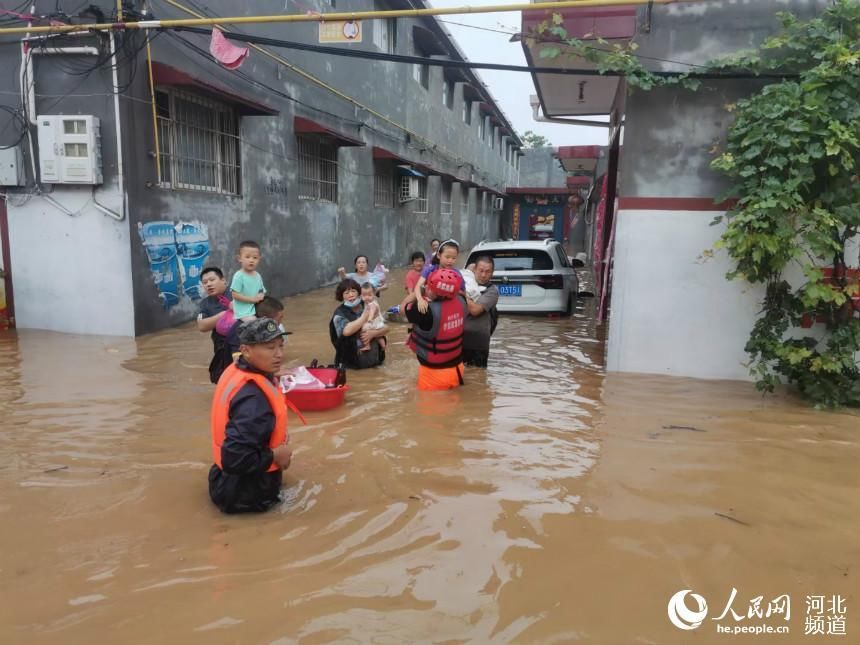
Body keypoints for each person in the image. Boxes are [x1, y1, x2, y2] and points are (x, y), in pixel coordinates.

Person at [209, 318, 293, 514]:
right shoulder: (254, 399)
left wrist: (270, 376)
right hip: (248, 496)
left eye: (281, 346)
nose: (279, 354)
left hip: (223, 482)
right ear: (246, 350)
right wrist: (275, 455)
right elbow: (234, 458)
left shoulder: (235, 370)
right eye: (270, 347)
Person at [405, 268, 467, 390]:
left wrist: (419, 291)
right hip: (457, 369)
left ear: (434, 292)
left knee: (429, 408)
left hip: (433, 376)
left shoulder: (425, 311)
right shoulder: (462, 301)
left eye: (429, 285)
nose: (427, 286)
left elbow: (403, 308)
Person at [329, 278, 388, 369]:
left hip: (376, 361)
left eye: (353, 291)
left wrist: (373, 333)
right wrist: (365, 316)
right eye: (346, 293)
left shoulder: (368, 303)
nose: (351, 295)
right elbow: (346, 331)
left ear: (359, 292)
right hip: (351, 365)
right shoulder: (339, 314)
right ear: (341, 296)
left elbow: (386, 328)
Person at [197, 267, 233, 384]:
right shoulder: (205, 304)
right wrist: (222, 315)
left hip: (241, 343)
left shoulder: (235, 294)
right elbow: (202, 326)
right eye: (205, 282)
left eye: (212, 280)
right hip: (221, 347)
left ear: (224, 281)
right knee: (221, 379)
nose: (209, 284)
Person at [411, 239, 466, 314]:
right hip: (430, 302)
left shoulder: (457, 274)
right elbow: (418, 286)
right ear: (438, 255)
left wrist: (452, 290)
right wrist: (420, 300)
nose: (450, 261)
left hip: (448, 306)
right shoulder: (430, 270)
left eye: (454, 258)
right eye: (447, 257)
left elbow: (463, 293)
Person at [462, 256, 499, 368]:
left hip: (478, 345)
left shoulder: (492, 291)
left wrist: (461, 293)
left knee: (478, 378)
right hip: (457, 341)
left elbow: (475, 310)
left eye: (487, 272)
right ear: (475, 270)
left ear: (492, 273)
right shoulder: (465, 282)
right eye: (481, 271)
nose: (483, 275)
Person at [231, 240, 266, 321]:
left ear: (259, 259)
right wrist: (252, 300)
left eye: (255, 257)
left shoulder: (257, 275)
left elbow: (261, 290)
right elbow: (235, 295)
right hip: (243, 311)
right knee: (253, 321)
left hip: (256, 307)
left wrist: (261, 295)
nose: (251, 260)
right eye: (247, 257)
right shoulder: (239, 276)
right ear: (239, 258)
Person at [359, 282, 387, 352]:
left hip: (373, 322)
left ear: (374, 295)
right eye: (364, 295)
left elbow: (372, 311)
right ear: (361, 296)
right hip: (378, 322)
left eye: (369, 295)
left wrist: (370, 319)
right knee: (378, 336)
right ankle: (383, 345)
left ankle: (367, 345)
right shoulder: (370, 302)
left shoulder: (372, 304)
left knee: (363, 331)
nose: (367, 297)